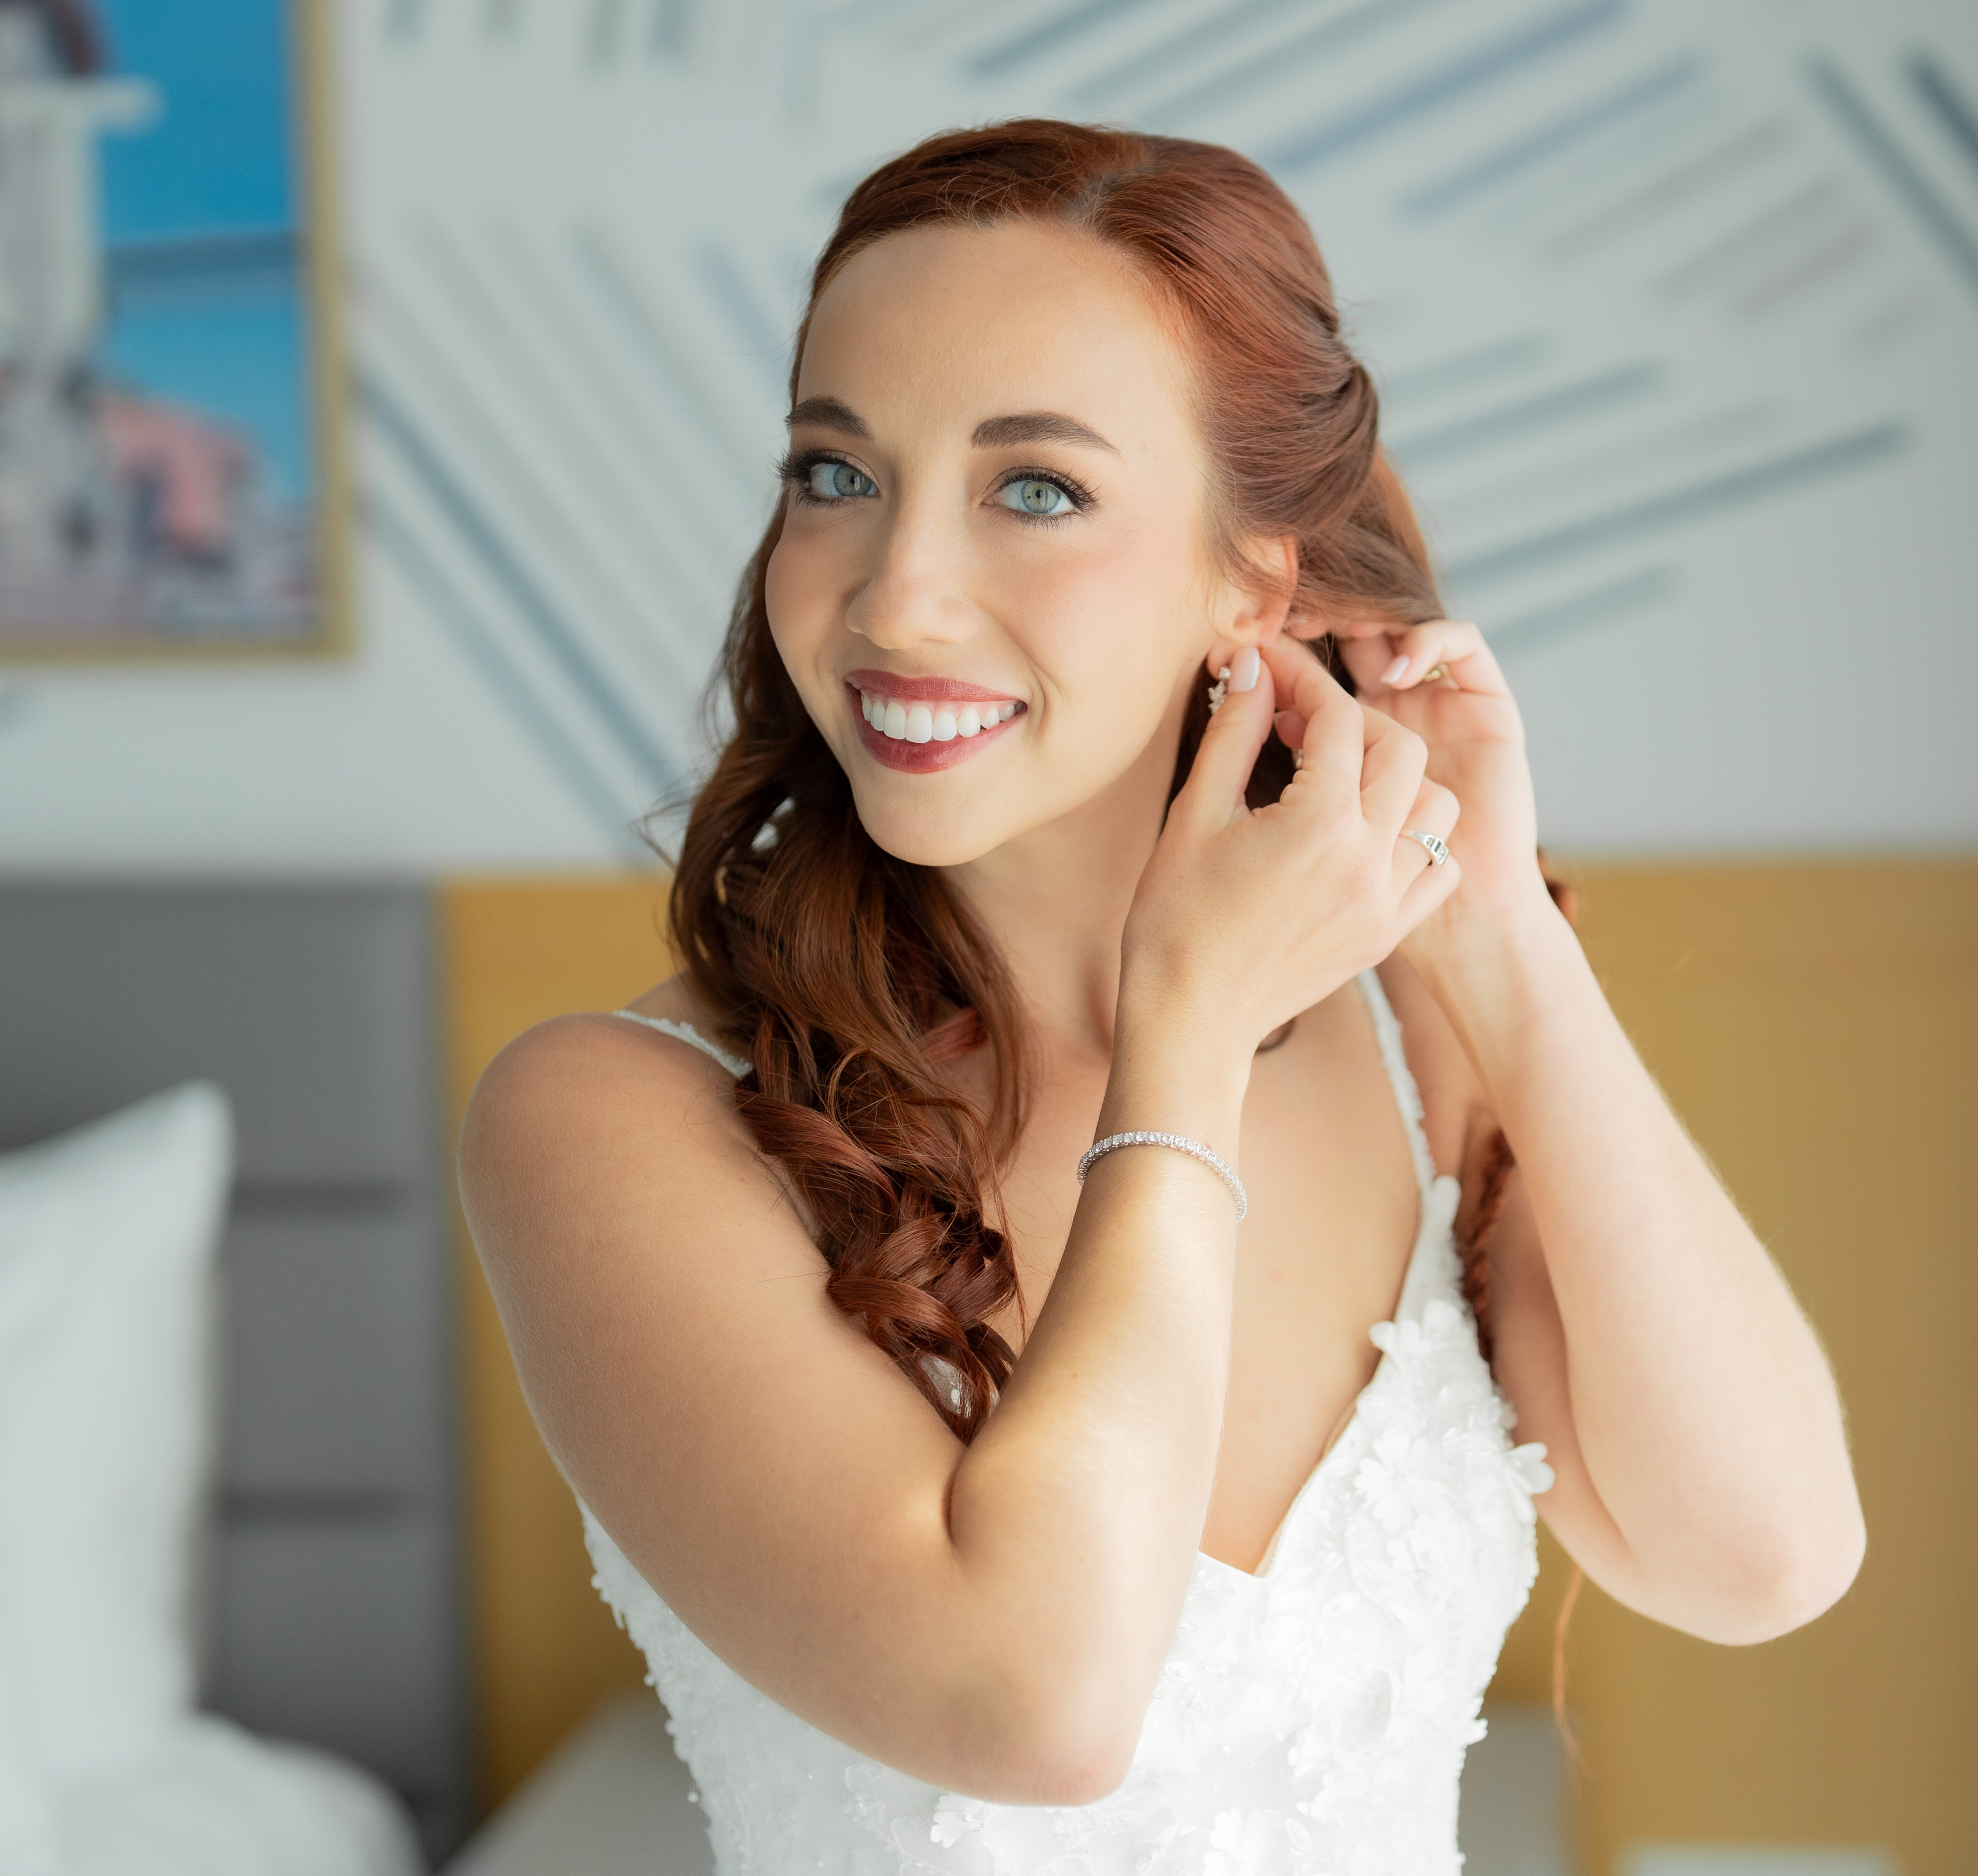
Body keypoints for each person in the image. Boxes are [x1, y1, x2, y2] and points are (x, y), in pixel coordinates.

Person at [459, 119, 1865, 1873]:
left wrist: (1492, 929)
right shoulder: (614, 1121)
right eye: (836, 475)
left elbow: (1759, 1558)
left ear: (1249, 580)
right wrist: (1179, 1046)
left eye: (1032, 488)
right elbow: (1033, 1705)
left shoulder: (1411, 1035)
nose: (897, 595)